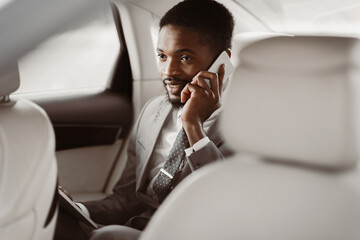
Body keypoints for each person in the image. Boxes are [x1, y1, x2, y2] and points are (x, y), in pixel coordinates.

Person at [55, 0, 234, 239]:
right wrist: (79, 209)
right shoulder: (152, 111)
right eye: (162, 56)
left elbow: (224, 205)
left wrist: (193, 126)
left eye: (185, 58)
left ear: (222, 61)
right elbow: (126, 198)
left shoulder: (245, 130)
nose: (168, 71)